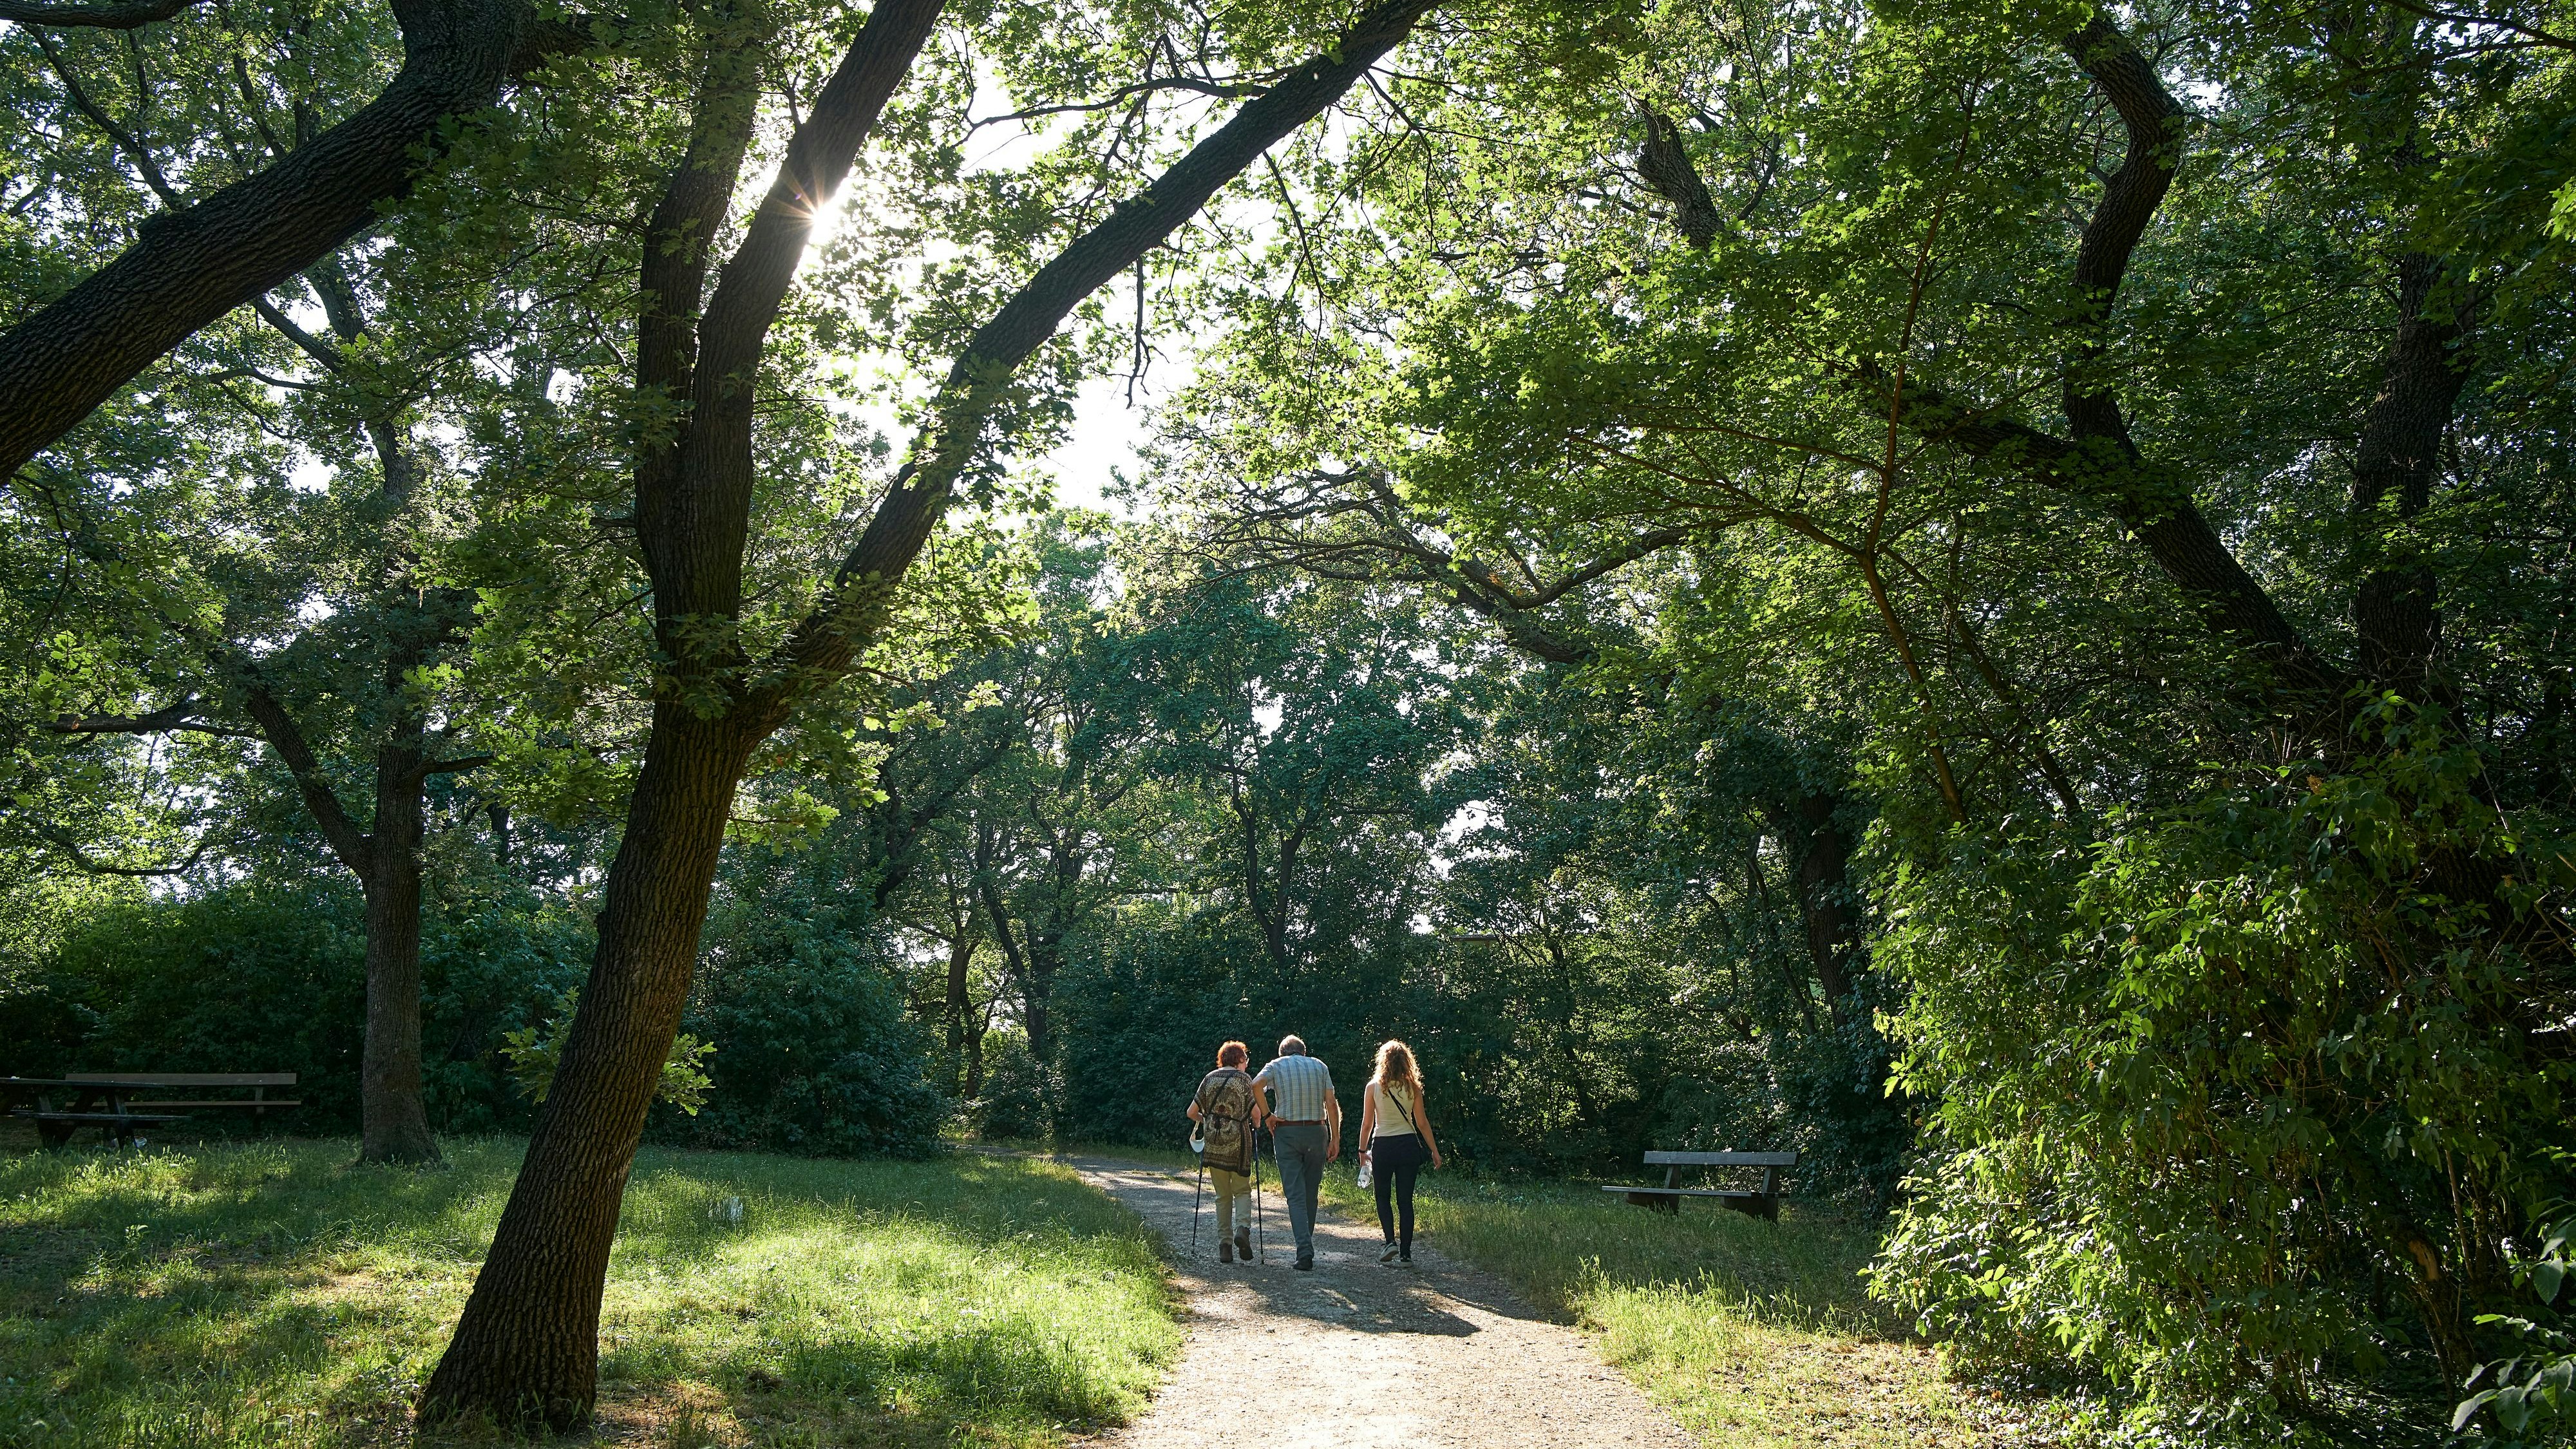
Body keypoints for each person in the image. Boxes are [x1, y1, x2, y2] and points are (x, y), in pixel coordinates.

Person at [1251, 1034, 1339, 1270]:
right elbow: (1331, 1103)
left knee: (1295, 1195)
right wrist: (1335, 1138)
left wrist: (1268, 1115)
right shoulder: (1320, 1066)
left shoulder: (1276, 1066)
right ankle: (1305, 1247)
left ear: (1283, 1053)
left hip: (1287, 1133)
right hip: (1316, 1132)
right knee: (1311, 1193)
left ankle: (1304, 1251)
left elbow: (1255, 1085)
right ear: (1303, 1051)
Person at [1356, 1038, 1444, 1265]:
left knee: (1382, 1196)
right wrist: (1434, 1150)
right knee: (1405, 1201)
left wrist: (1362, 1150)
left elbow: (1367, 1124)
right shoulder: (1413, 1087)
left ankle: (1389, 1242)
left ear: (1383, 1061)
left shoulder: (1373, 1087)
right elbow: (1422, 1123)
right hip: (1408, 1146)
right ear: (1406, 1062)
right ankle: (1406, 1254)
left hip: (1383, 1145)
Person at [1186, 1040, 1262, 1264]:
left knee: (1222, 1196)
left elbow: (1192, 1112)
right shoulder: (1244, 1080)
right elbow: (1256, 1113)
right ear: (1239, 1060)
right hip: (1238, 1144)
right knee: (1242, 1190)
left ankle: (1225, 1246)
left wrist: (1207, 1120)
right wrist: (1256, 1126)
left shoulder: (1209, 1079)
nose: (1247, 1064)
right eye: (1246, 1060)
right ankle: (1242, 1229)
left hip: (1214, 1144)